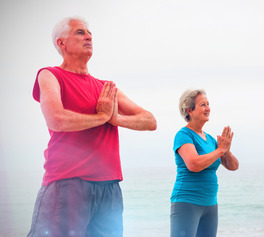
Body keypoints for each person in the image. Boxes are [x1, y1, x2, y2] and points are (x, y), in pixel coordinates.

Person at [28, 16, 157, 237]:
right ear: (61, 43)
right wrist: (101, 117)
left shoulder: (105, 87)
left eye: (90, 34)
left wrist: (116, 119)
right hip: (68, 183)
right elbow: (56, 119)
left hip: (110, 187)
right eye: (80, 32)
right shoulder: (50, 75)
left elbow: (150, 121)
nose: (88, 36)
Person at [170, 89, 239, 237]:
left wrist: (226, 150)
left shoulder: (211, 140)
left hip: (210, 205)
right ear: (189, 110)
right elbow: (193, 164)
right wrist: (220, 150)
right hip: (187, 203)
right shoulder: (183, 135)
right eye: (202, 105)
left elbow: (233, 166)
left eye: (208, 104)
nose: (208, 108)